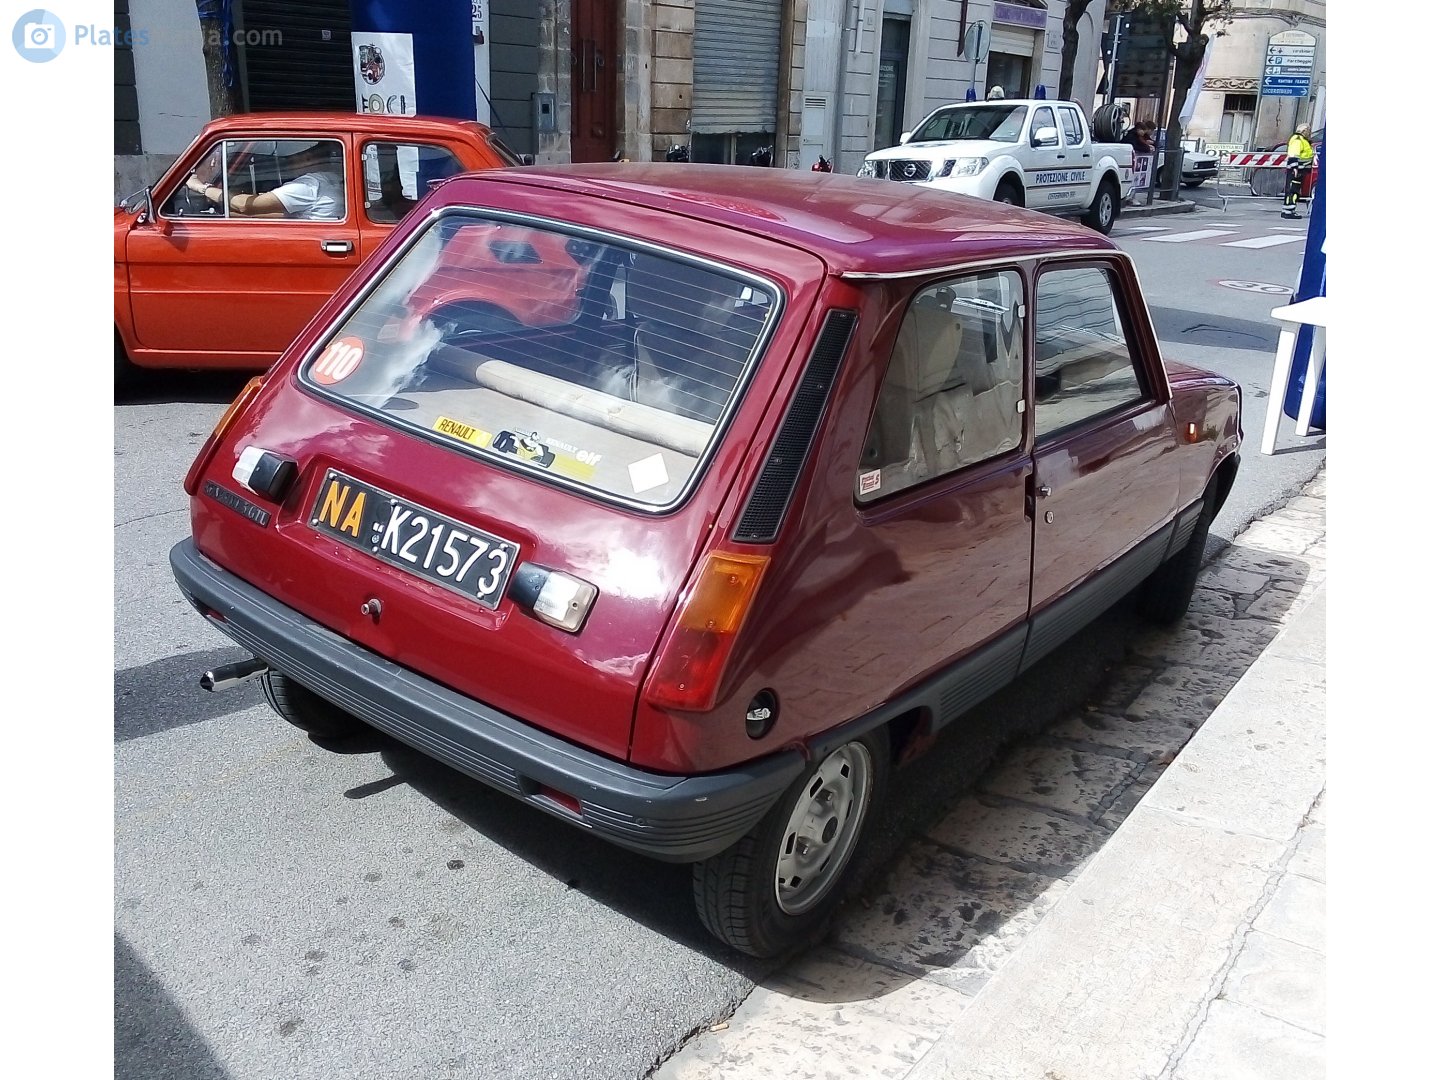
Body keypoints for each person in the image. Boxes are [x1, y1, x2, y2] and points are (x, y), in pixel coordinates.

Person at [185, 141, 344, 220]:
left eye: (300, 156)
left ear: (311, 159)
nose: (291, 160)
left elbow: (245, 206)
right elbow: (279, 213)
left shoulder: (308, 186)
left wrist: (202, 187)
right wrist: (227, 214)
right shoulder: (329, 180)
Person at [1280, 123, 1315, 219]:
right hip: (1296, 170)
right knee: (1292, 190)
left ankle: (1289, 210)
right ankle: (1288, 211)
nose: (1309, 133)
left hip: (1300, 170)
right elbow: (1293, 154)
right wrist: (1295, 168)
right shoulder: (1298, 139)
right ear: (1304, 131)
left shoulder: (1303, 140)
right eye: (1308, 130)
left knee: (1294, 191)